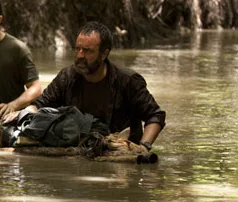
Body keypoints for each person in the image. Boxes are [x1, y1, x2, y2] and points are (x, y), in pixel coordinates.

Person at [26, 21, 166, 149]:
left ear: (104, 54)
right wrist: (25, 113)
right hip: (79, 150)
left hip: (119, 152)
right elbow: (40, 104)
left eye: (87, 51)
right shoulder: (66, 77)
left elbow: (155, 116)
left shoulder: (128, 81)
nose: (80, 55)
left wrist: (143, 147)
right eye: (78, 49)